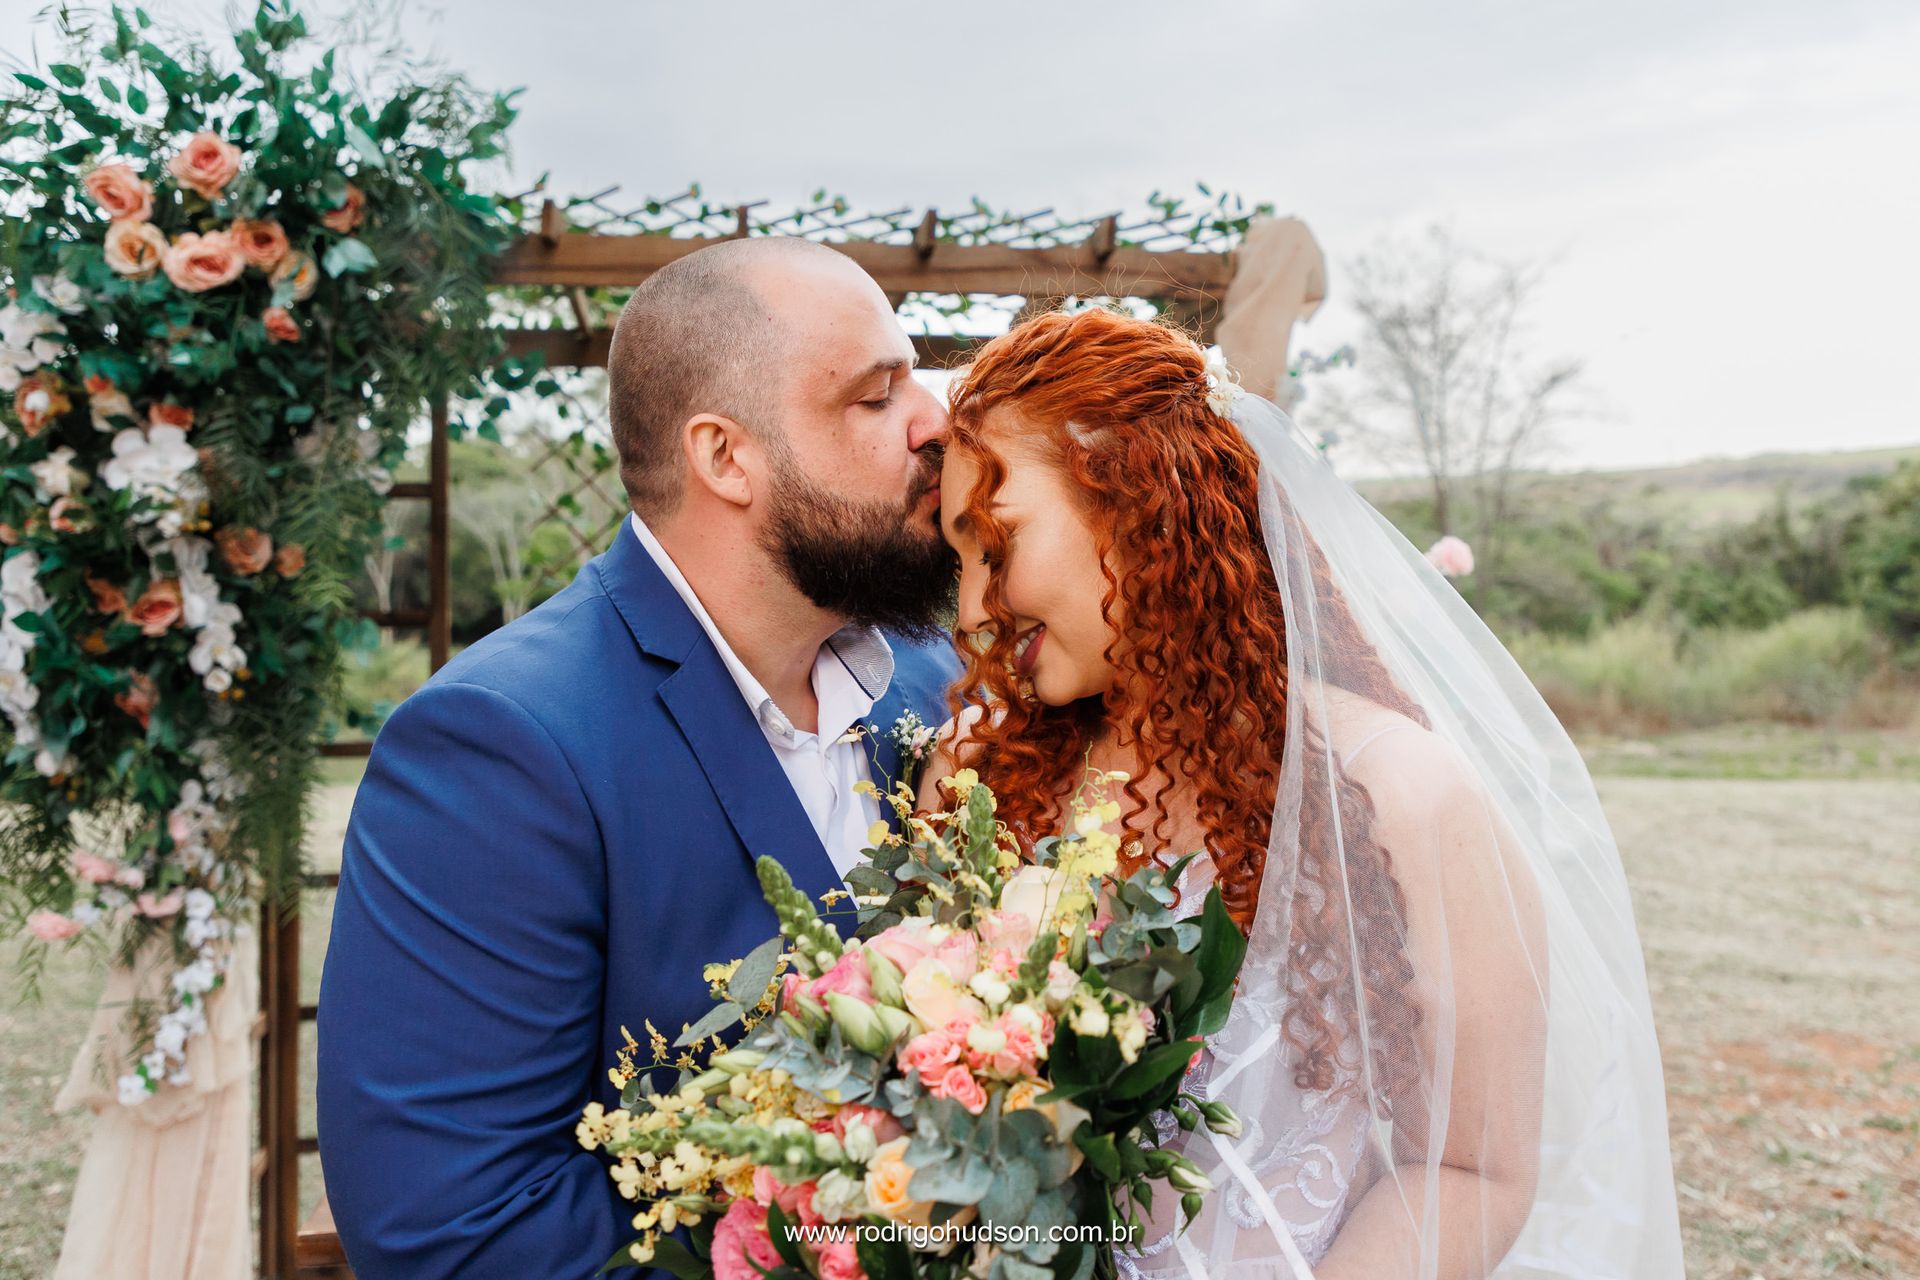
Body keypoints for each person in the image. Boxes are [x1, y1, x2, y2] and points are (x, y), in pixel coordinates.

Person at [923, 308, 1683, 1278]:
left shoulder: (1397, 791)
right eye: (959, 563)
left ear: (1137, 499)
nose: (973, 609)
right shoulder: (977, 773)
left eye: (994, 544)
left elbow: (1471, 1167)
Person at [317, 237, 960, 1278]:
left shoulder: (941, 686)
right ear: (726, 457)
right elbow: (454, 1233)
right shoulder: (498, 748)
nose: (937, 421)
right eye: (876, 396)